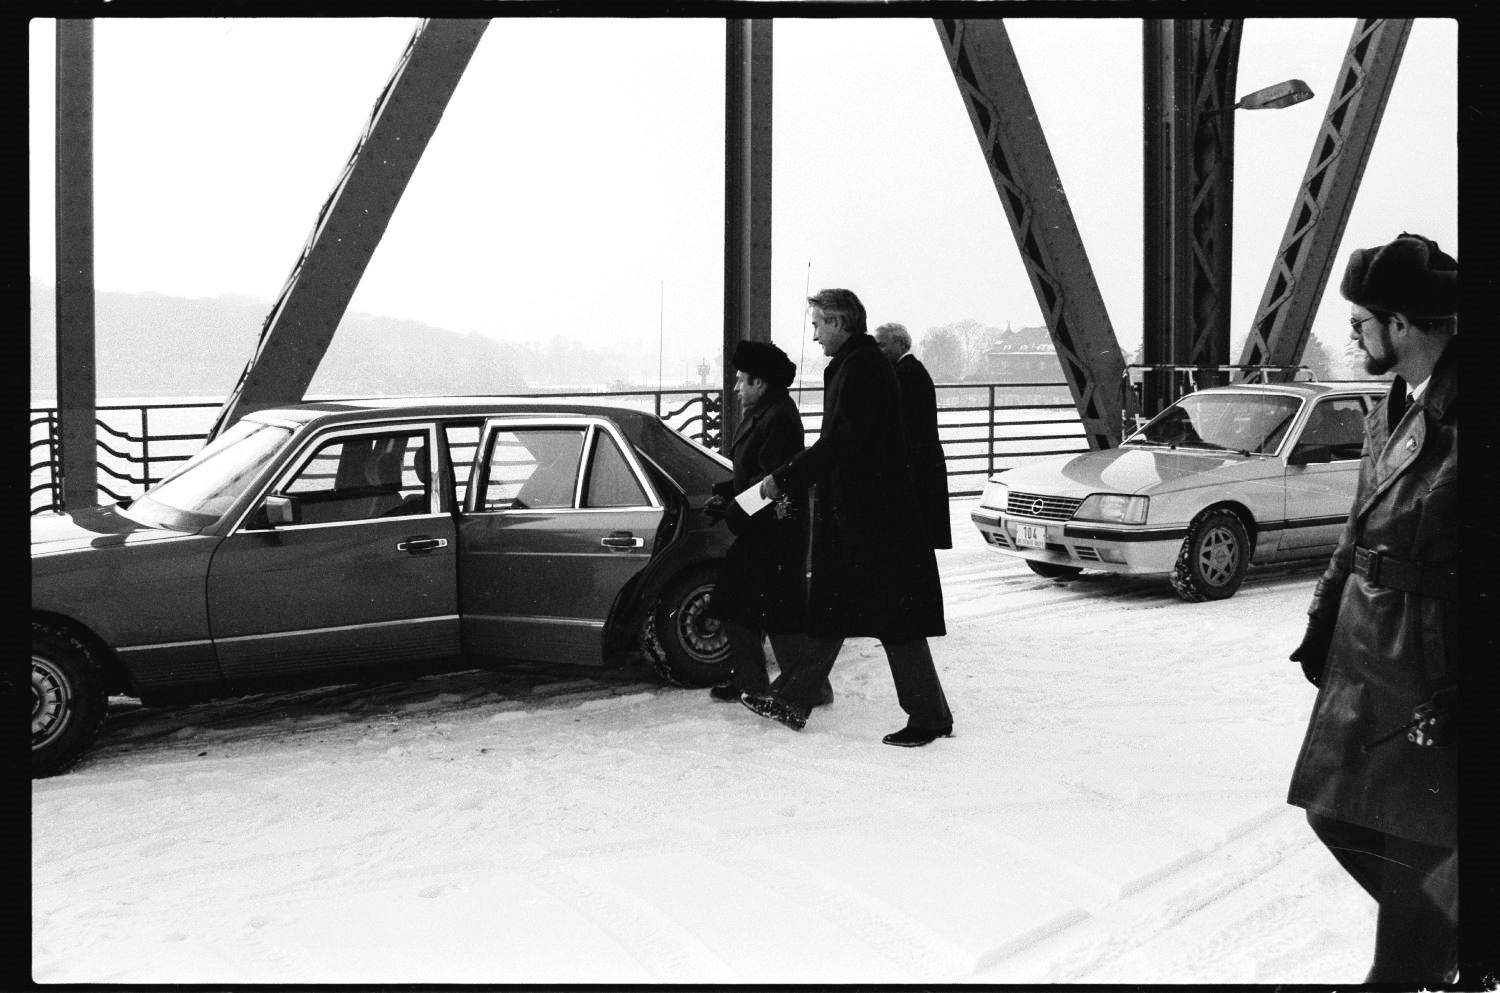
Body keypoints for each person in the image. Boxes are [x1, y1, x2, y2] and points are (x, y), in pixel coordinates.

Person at [1285, 232, 1458, 984]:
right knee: (1337, 810)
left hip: (1431, 655)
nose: (1352, 335)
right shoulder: (1396, 401)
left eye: (1361, 321)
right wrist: (1323, 623)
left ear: (1403, 325)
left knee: (1417, 836)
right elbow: (1357, 528)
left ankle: (1413, 966)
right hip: (1368, 642)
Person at [743, 288, 953, 746]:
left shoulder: (860, 367)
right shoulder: (861, 365)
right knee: (845, 609)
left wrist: (785, 477)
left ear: (838, 322)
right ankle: (795, 699)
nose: (815, 335)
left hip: (873, 517)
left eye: (818, 325)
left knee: (890, 618)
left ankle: (929, 716)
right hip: (870, 513)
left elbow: (841, 442)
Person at [703, 341, 833, 707]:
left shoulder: (778, 418)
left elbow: (773, 482)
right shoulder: (764, 412)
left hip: (774, 531)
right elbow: (753, 473)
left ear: (760, 383)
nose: (736, 388)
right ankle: (753, 681)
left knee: (775, 613)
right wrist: (727, 492)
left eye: (742, 380)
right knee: (746, 605)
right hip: (763, 529)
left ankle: (806, 687)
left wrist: (733, 508)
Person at [873, 322, 952, 549]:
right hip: (924, 465)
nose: (879, 351)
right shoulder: (912, 370)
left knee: (911, 539)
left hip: (915, 467)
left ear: (899, 343)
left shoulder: (903, 375)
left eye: (882, 345)